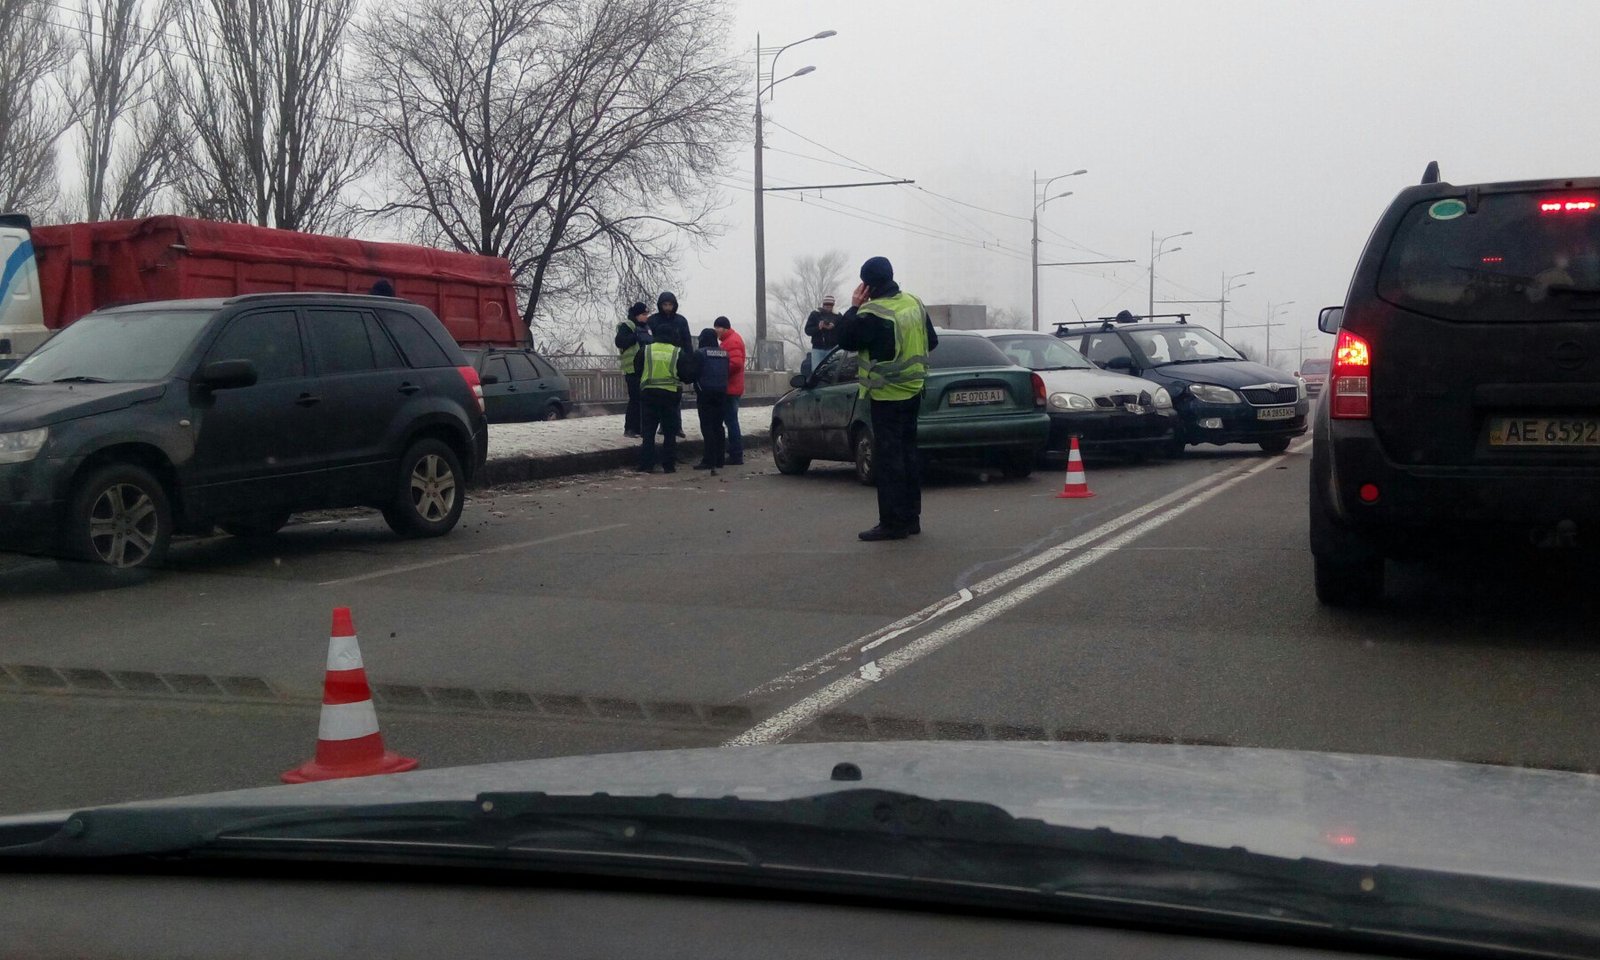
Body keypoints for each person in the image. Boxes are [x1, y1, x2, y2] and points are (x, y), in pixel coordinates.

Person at [827, 256, 938, 541]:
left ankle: (892, 523)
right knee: (908, 454)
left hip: (887, 394)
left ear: (867, 285)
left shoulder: (873, 313)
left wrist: (853, 306)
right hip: (914, 390)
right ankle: (911, 518)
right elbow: (932, 341)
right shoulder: (913, 303)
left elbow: (845, 338)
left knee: (889, 460)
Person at [634, 333, 696, 473]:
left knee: (648, 431)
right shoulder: (677, 351)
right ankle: (669, 465)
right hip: (670, 395)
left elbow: (637, 368)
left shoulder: (646, 349)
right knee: (669, 431)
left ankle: (647, 464)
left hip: (649, 393)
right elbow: (686, 375)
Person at [648, 292, 693, 439]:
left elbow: (687, 342)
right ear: (660, 305)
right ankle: (663, 425)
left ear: (674, 305)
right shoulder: (653, 320)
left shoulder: (681, 321)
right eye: (665, 305)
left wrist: (689, 361)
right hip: (658, 361)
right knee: (661, 396)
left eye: (670, 305)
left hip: (676, 360)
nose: (667, 308)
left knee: (676, 395)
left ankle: (676, 425)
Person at [691, 328, 730, 473]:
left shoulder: (700, 353)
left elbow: (694, 373)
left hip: (705, 393)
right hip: (721, 392)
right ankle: (720, 459)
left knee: (707, 427)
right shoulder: (725, 354)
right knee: (718, 426)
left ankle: (709, 459)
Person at [614, 302, 651, 438]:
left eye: (647, 314)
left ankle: (639, 428)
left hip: (644, 368)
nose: (646, 317)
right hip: (632, 369)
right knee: (635, 399)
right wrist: (635, 336)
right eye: (643, 314)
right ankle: (630, 428)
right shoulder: (628, 326)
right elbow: (619, 342)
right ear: (637, 315)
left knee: (643, 399)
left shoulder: (646, 327)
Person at [714, 317, 746, 465]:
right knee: (731, 420)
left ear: (724, 328)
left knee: (731, 421)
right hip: (734, 386)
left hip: (731, 387)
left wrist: (719, 372)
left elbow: (735, 364)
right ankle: (735, 452)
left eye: (717, 328)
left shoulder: (731, 342)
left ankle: (735, 453)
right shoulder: (731, 340)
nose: (716, 331)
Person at [803, 294, 841, 375]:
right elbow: (807, 330)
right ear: (823, 304)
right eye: (826, 304)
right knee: (816, 372)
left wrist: (834, 327)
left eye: (830, 305)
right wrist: (818, 328)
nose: (828, 307)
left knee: (833, 371)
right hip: (818, 348)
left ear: (833, 305)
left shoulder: (838, 316)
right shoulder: (815, 314)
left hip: (833, 349)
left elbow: (843, 331)